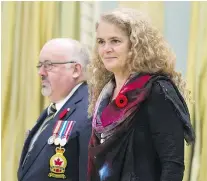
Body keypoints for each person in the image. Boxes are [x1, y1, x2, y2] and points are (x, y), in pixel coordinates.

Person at [87, 8, 195, 181]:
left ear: (135, 45)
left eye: (115, 41)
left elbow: (172, 164)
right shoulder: (104, 93)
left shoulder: (157, 90)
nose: (106, 49)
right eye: (101, 41)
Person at [17, 38, 91, 181]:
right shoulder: (53, 110)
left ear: (75, 70)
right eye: (40, 65)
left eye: (49, 65)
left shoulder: (88, 111)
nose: (41, 72)